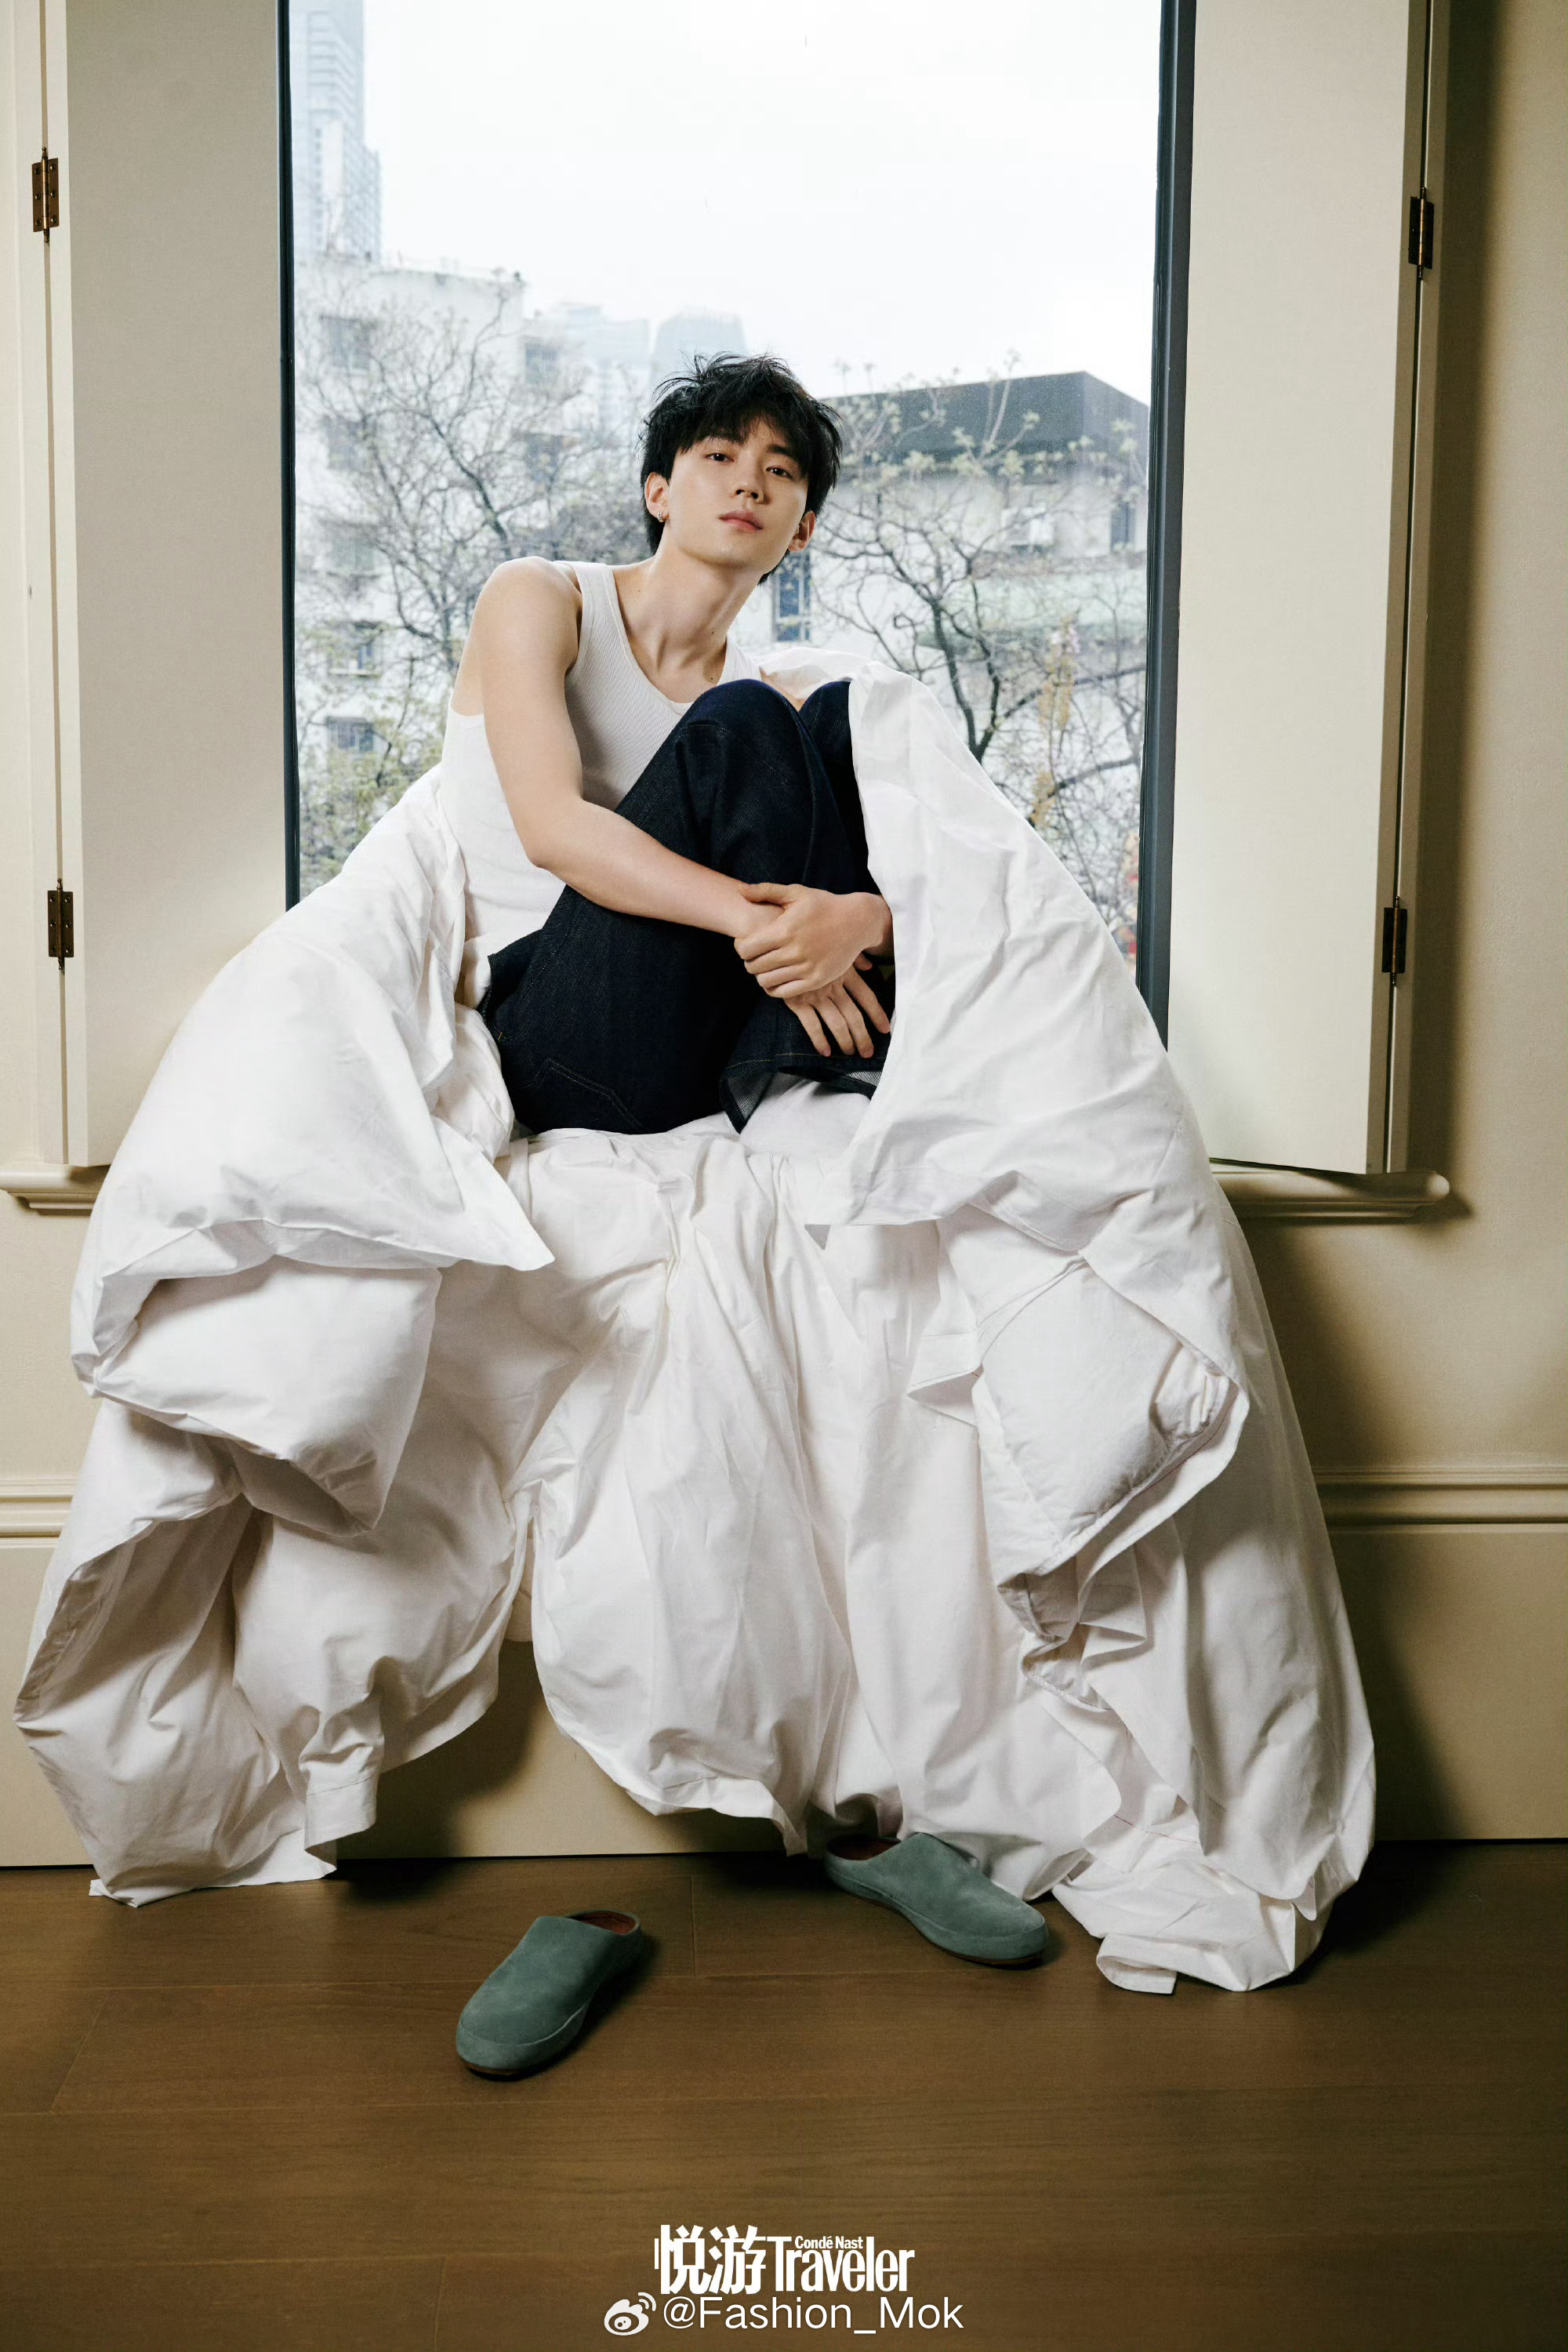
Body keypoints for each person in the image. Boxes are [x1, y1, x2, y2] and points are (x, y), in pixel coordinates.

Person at [441, 355, 1053, 2078]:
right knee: (743, 736)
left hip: (705, 1041)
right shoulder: (545, 600)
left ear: (803, 524)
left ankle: (821, 1073)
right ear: (660, 486)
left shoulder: (782, 686)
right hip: (565, 1023)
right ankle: (828, 1064)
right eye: (720, 454)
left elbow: (901, 878)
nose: (749, 484)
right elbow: (556, 827)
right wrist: (776, 929)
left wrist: (860, 916)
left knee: (804, 721)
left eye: (784, 472)